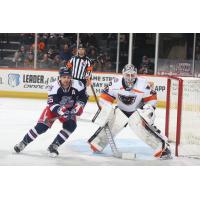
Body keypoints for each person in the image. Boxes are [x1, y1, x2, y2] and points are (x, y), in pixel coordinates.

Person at [88, 64, 172, 159]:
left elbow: (151, 97)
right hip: (121, 110)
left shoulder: (143, 83)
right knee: (113, 122)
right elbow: (105, 97)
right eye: (128, 75)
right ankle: (98, 143)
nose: (130, 77)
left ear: (136, 75)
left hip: (137, 111)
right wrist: (106, 109)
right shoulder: (115, 82)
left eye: (133, 75)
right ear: (123, 74)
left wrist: (148, 108)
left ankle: (163, 148)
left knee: (141, 127)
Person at [14, 67, 88, 157]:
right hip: (54, 110)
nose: (66, 79)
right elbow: (52, 104)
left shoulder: (78, 85)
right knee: (41, 127)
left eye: (68, 77)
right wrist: (60, 110)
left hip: (69, 110)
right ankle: (23, 143)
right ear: (60, 77)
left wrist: (79, 106)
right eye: (64, 77)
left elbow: (84, 97)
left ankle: (54, 145)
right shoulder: (53, 87)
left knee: (71, 126)